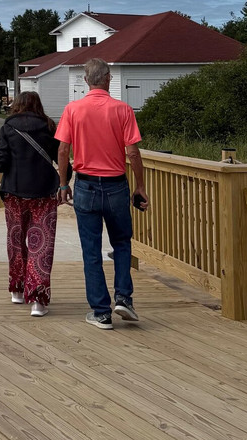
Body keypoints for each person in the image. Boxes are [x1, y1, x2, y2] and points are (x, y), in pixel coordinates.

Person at [56, 58, 148, 330]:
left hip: (85, 185)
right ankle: (123, 298)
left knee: (91, 249)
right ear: (108, 78)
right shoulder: (123, 110)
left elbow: (63, 151)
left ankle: (100, 312)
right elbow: (132, 152)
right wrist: (140, 186)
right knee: (121, 242)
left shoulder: (73, 109)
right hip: (117, 185)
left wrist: (63, 184)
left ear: (86, 81)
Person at [0, 92, 66, 317]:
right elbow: (60, 156)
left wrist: (0, 157)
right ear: (38, 105)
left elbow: (0, 164)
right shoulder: (49, 126)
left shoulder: (7, 127)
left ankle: (17, 289)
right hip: (44, 193)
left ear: (17, 105)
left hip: (15, 193)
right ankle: (38, 300)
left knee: (16, 241)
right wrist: (64, 182)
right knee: (41, 245)